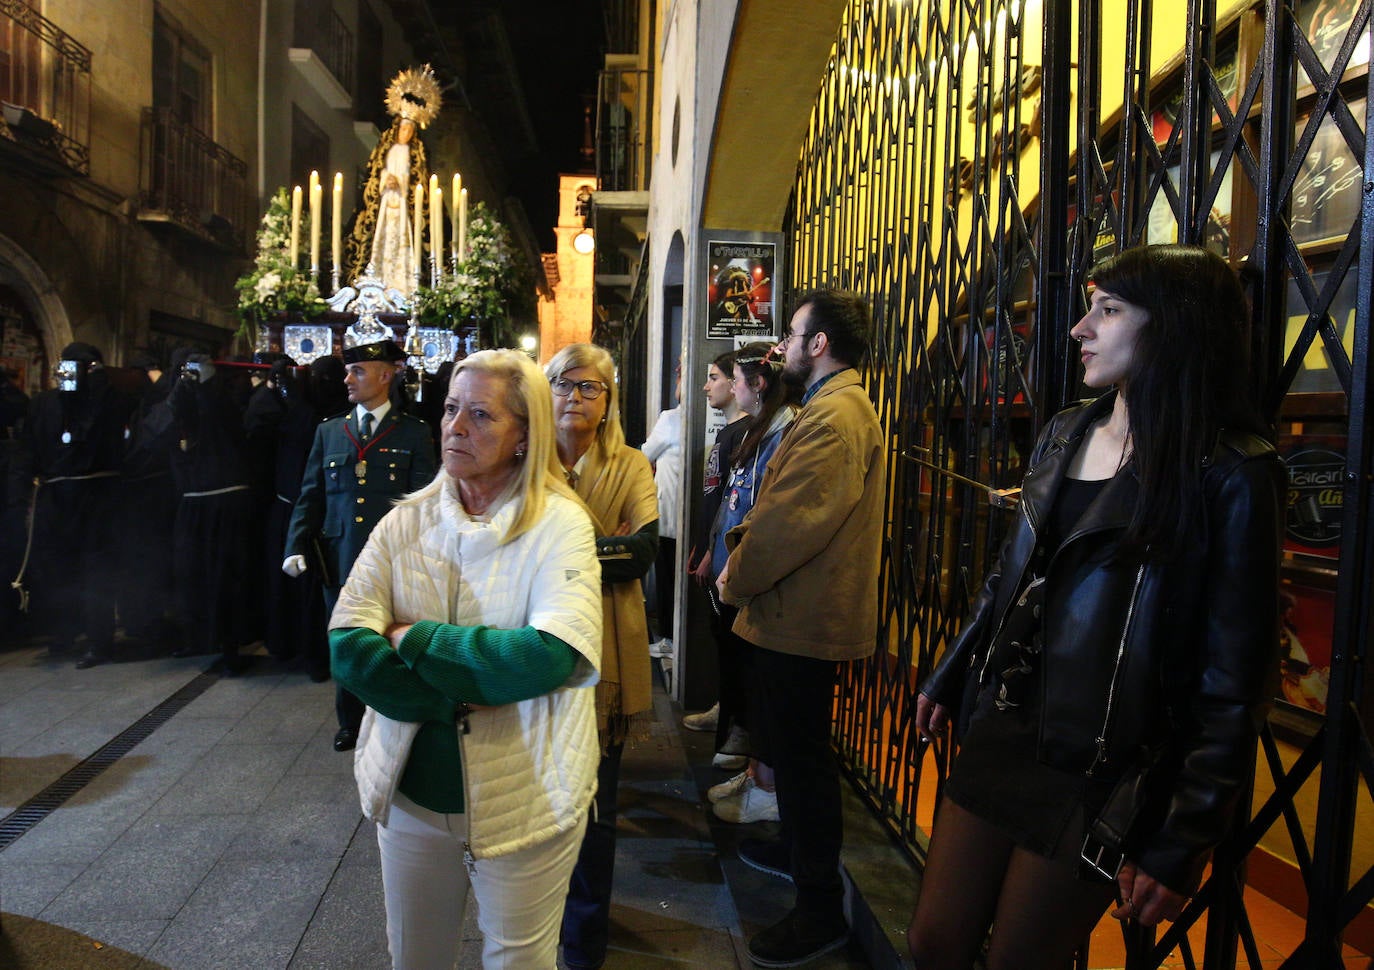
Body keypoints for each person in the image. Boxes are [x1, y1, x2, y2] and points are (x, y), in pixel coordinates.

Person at [907, 245, 1286, 970]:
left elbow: (1235, 681)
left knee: (1019, 960)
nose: (1081, 328)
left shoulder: (1232, 472)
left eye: (1108, 310)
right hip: (1007, 728)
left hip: (1104, 767)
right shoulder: (1065, 430)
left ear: (1174, 327)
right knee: (934, 941)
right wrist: (952, 671)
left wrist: (1182, 839)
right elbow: (1009, 577)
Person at [330, 349, 604, 970]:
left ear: (524, 435)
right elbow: (347, 644)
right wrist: (449, 698)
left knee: (518, 961)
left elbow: (549, 656)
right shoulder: (405, 523)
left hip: (527, 797)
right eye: (452, 409)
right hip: (410, 796)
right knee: (415, 958)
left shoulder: (561, 526)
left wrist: (414, 638)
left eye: (481, 415)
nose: (455, 427)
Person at [717, 290, 886, 967]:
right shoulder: (829, 407)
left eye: (791, 334)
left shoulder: (835, 416)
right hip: (792, 612)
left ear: (819, 344)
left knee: (807, 763)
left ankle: (818, 909)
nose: (781, 345)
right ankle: (792, 851)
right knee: (791, 750)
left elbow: (789, 521)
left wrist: (738, 574)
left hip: (802, 616)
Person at [546, 343, 659, 970]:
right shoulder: (525, 461)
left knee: (596, 808)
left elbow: (642, 553)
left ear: (609, 400)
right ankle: (536, 919)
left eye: (592, 387)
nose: (576, 396)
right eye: (564, 383)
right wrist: (599, 553)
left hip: (607, 652)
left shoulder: (632, 466)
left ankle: (583, 944)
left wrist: (555, 556)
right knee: (539, 798)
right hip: (539, 646)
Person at [284, 339, 437, 750]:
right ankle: (349, 719)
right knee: (348, 638)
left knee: (392, 637)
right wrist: (295, 544)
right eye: (348, 372)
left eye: (359, 371)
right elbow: (310, 494)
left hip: (394, 558)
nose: (348, 379)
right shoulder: (329, 431)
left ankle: (393, 711)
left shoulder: (415, 433)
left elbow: (424, 501)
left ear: (386, 375)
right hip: (339, 556)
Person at [707, 341, 800, 824]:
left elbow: (768, 517)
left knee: (765, 689)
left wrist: (738, 570)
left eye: (735, 379)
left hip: (756, 584)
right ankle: (754, 773)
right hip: (734, 576)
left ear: (756, 383)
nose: (728, 387)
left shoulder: (785, 432)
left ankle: (766, 788)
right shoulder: (757, 431)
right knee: (747, 680)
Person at [19, 342, 134, 667]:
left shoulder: (106, 402)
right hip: (56, 499)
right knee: (57, 569)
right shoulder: (43, 404)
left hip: (96, 500)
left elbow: (109, 425)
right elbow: (29, 448)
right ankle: (63, 633)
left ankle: (99, 641)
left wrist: (98, 385)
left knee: (97, 571)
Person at [167, 352, 257, 673]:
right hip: (193, 500)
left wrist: (205, 385)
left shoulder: (224, 401)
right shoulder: (179, 401)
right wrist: (181, 386)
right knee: (192, 575)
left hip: (224, 503)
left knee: (225, 578)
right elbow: (166, 423)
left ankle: (230, 645)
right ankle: (197, 637)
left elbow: (221, 419)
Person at [682, 349, 749, 735]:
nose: (707, 386)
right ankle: (725, 711)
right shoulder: (725, 434)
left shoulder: (743, 434)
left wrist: (713, 552)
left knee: (731, 641)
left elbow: (734, 506)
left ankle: (733, 722)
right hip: (712, 550)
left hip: (726, 558)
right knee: (721, 638)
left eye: (716, 377)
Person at [347, 66, 439, 292]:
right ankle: (377, 278)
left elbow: (418, 182)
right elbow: (376, 174)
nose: (405, 133)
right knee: (381, 239)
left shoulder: (415, 154)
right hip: (386, 203)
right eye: (403, 128)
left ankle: (403, 284)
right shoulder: (385, 150)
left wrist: (402, 185)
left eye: (410, 130)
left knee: (403, 242)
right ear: (397, 128)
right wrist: (386, 181)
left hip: (405, 206)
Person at [640, 363, 683, 657]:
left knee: (668, 578)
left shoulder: (671, 419)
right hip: (694, 518)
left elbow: (645, 454)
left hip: (669, 517)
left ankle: (669, 638)